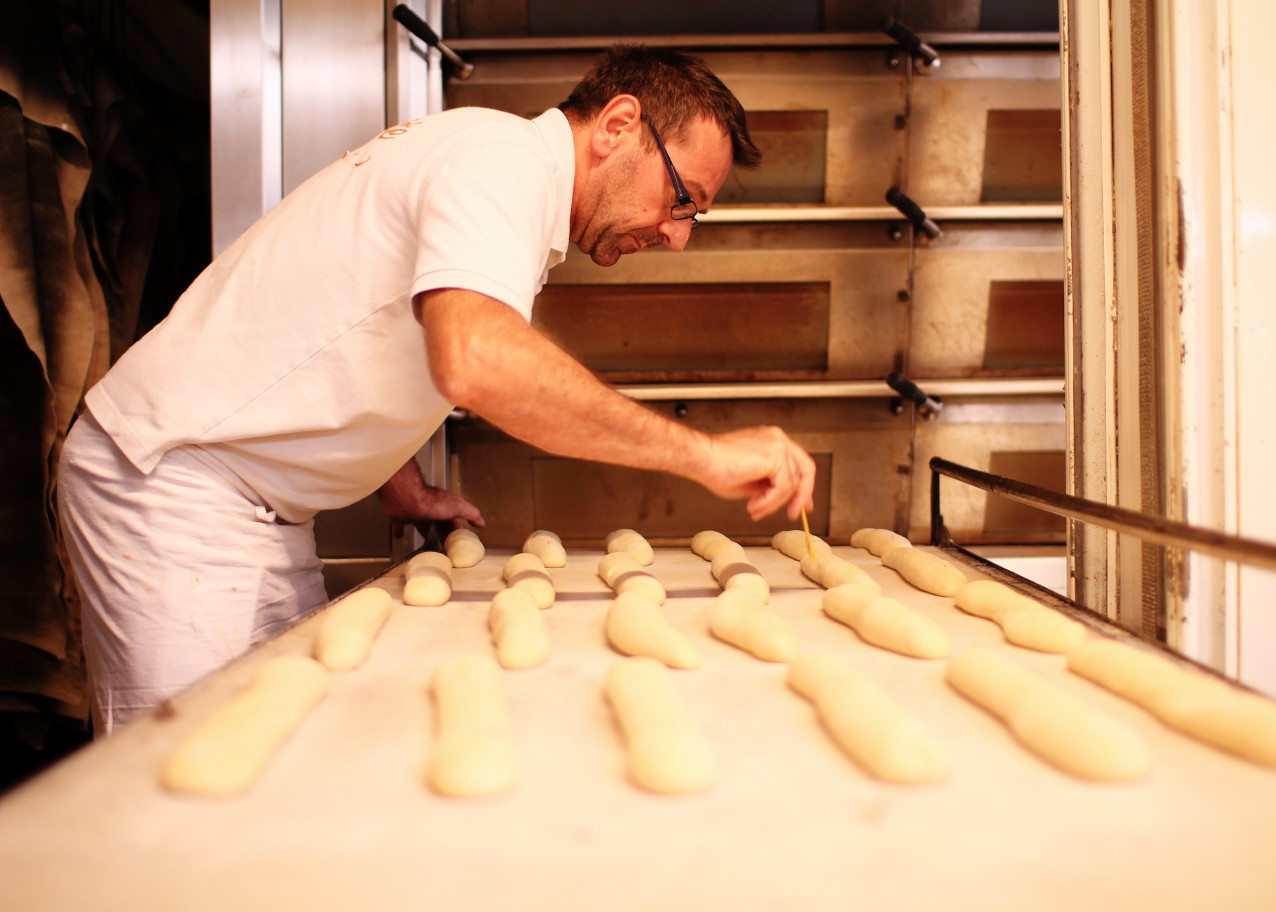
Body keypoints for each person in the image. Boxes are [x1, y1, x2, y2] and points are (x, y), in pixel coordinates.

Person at [56, 45, 816, 735]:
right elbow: (477, 358)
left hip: (251, 506)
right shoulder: (501, 166)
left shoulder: (495, 167)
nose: (678, 235)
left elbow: (351, 313)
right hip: (175, 492)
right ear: (619, 125)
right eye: (683, 199)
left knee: (278, 753)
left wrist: (400, 478)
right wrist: (703, 456)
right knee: (186, 790)